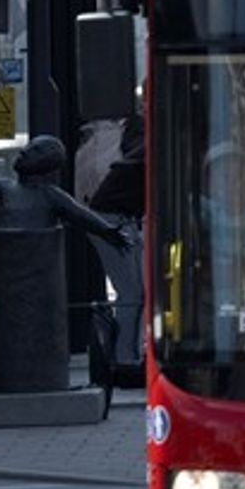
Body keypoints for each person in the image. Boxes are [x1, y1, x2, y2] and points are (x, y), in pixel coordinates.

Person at [87, 110, 145, 373]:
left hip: (117, 220)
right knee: (131, 294)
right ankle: (124, 358)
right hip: (113, 222)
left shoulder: (136, 160)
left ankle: (127, 354)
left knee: (133, 293)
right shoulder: (145, 159)